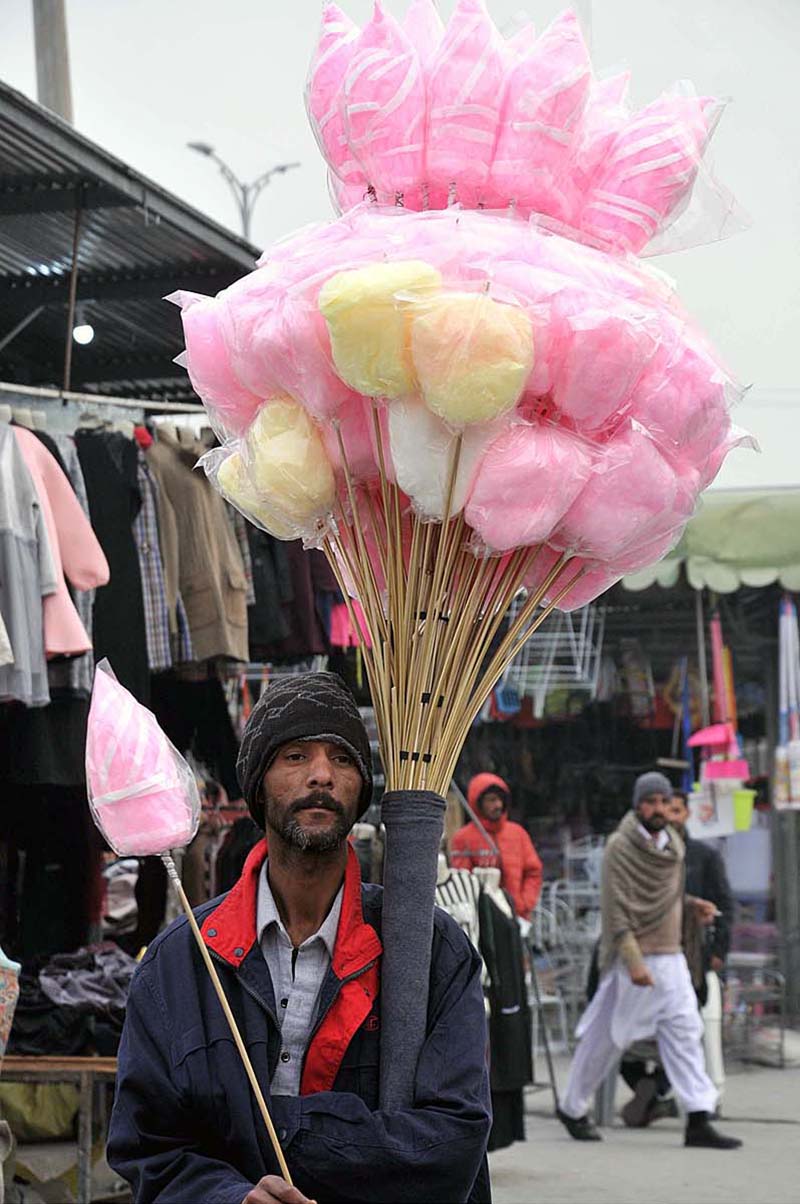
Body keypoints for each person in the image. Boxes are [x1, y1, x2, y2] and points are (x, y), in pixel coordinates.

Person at [108, 672, 492, 1204]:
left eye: (340, 759)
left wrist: (283, 1131)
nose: (321, 776)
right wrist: (230, 1196)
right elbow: (148, 1147)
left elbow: (452, 1140)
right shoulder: (182, 959)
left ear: (361, 791)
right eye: (295, 756)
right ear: (258, 786)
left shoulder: (433, 951)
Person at [555, 771, 742, 1150]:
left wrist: (692, 908)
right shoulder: (619, 849)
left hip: (671, 959)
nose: (658, 809)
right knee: (605, 1037)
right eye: (651, 802)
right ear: (638, 805)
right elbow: (617, 911)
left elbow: (668, 900)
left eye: (663, 802)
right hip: (632, 961)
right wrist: (634, 961)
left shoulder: (672, 844)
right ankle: (572, 1107)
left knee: (686, 1033)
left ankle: (699, 1117)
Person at [450, 773, 543, 921]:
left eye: (500, 799)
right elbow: (462, 879)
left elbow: (533, 872)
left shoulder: (518, 834)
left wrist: (525, 904)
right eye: (491, 800)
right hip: (483, 921)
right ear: (478, 802)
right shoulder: (463, 839)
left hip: (517, 917)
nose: (498, 805)